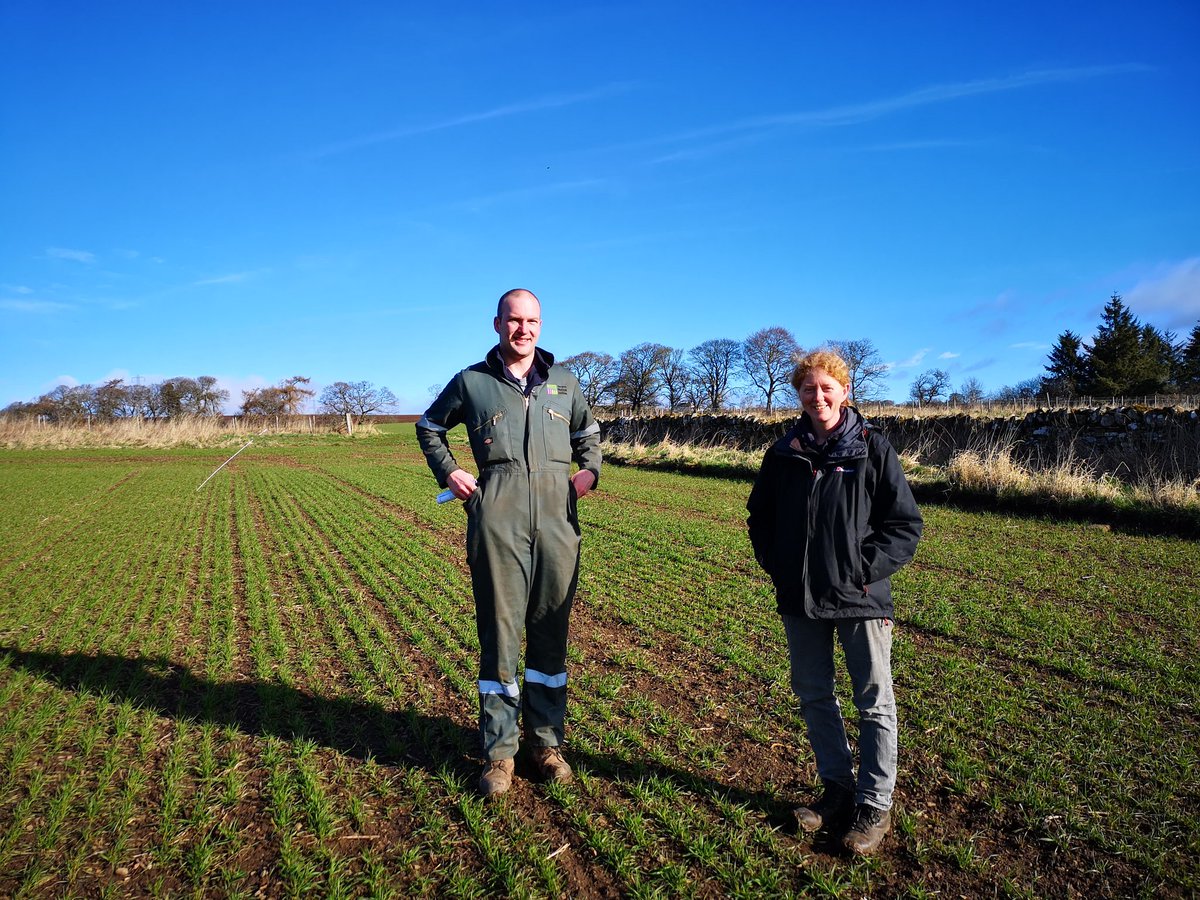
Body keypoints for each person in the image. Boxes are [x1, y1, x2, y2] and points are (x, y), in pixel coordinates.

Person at [416, 288, 601, 799]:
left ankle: (546, 743)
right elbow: (429, 427)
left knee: (550, 631)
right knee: (500, 633)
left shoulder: (564, 382)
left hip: (558, 521)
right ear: (497, 324)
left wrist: (589, 473)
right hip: (498, 517)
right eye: (514, 320)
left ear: (541, 325)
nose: (523, 329)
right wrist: (450, 472)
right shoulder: (472, 381)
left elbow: (589, 435)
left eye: (532, 321)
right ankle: (499, 753)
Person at [746, 349, 922, 855]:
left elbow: (904, 526)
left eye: (827, 388)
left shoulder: (872, 448)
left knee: (874, 702)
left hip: (860, 599)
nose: (818, 396)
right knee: (814, 694)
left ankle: (874, 804)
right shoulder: (784, 453)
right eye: (809, 388)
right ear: (799, 395)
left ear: (845, 391)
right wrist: (780, 565)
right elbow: (760, 518)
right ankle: (837, 790)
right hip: (800, 597)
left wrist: (860, 572)